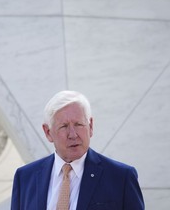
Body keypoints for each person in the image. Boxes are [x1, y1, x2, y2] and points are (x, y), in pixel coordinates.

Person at [10, 90, 144, 210]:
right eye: (64, 126)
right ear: (48, 132)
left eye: (79, 124)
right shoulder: (25, 178)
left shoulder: (121, 178)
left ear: (90, 126)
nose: (73, 134)